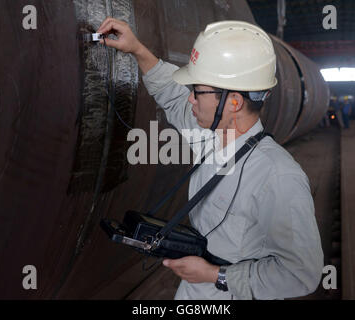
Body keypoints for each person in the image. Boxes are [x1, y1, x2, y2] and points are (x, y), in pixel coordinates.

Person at [97, 18, 323, 300]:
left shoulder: (277, 176)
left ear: (234, 102)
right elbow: (171, 95)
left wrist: (215, 275)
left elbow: (301, 274)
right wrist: (137, 50)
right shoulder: (212, 136)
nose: (190, 99)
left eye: (198, 91)